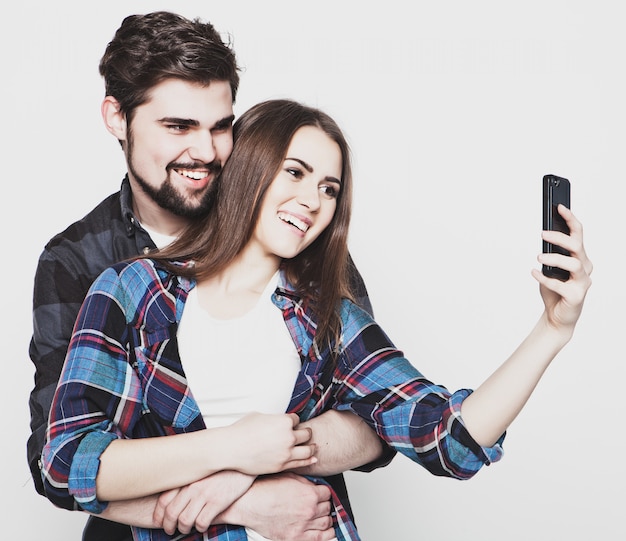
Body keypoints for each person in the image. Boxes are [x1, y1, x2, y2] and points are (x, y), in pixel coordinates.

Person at [41, 99, 593, 541]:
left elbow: (451, 437)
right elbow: (70, 460)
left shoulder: (328, 314)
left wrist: (552, 331)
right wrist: (235, 454)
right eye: (296, 173)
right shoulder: (132, 291)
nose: (312, 200)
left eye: (329, 188)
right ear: (249, 168)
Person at [27, 11, 387, 541]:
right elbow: (57, 465)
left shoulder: (289, 223)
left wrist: (256, 460)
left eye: (221, 127)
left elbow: (376, 419)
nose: (205, 151)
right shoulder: (79, 261)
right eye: (178, 126)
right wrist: (246, 499)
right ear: (116, 118)